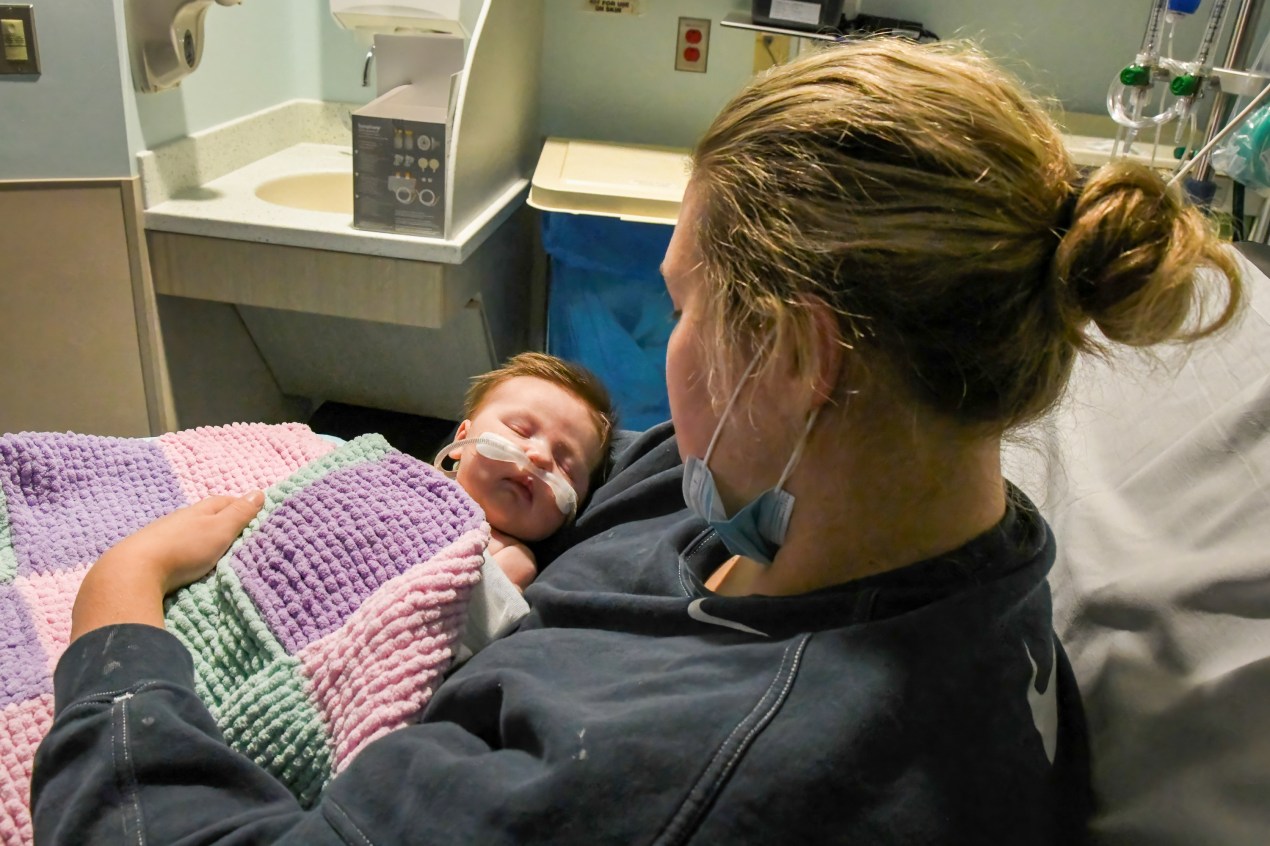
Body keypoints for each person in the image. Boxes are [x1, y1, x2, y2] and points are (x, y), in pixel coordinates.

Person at [33, 37, 1241, 844]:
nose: (666, 352)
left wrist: (119, 622)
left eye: (684, 305)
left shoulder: (687, 775)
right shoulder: (934, 514)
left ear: (805, 358)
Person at [434, 351, 615, 591]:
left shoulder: (511, 561)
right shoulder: (407, 476)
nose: (540, 457)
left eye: (566, 467)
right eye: (519, 430)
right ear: (463, 439)